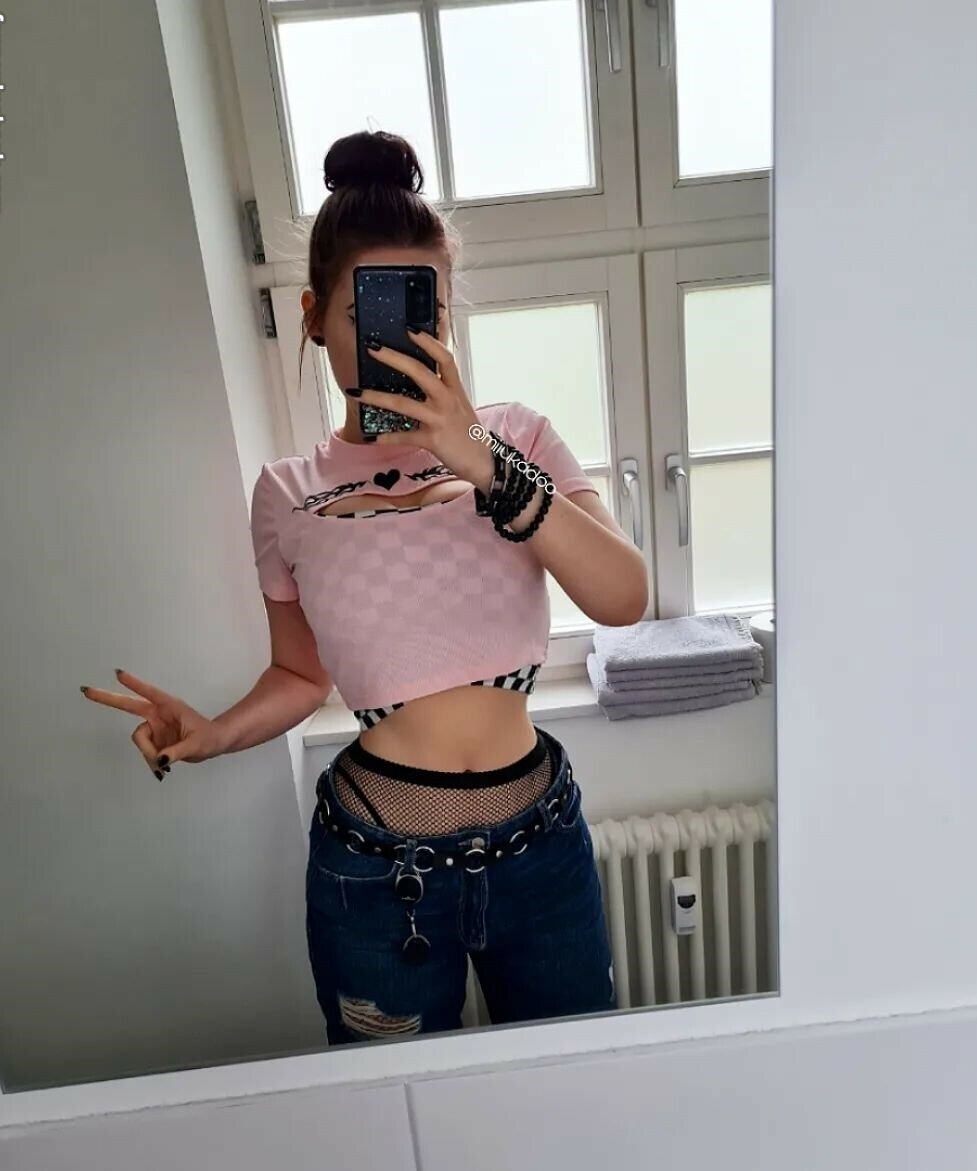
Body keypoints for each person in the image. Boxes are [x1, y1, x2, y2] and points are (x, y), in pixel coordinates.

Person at [82, 130, 649, 1046]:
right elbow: (301, 675)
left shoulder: (518, 437)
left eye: (428, 311)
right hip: (377, 874)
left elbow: (623, 595)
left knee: (572, 1087)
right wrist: (217, 731)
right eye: (368, 312)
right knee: (394, 1105)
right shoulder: (287, 492)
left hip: (540, 849)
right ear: (314, 316)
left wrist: (480, 457)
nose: (405, 340)